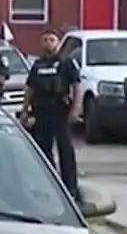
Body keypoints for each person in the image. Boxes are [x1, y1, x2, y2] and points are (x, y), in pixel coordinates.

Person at [22, 28, 82, 200]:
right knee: (43, 149)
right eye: (45, 39)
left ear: (58, 42)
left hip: (60, 110)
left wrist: (75, 109)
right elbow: (30, 88)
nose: (48, 43)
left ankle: (70, 188)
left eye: (52, 40)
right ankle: (50, 184)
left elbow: (76, 86)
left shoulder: (66, 63)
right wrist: (25, 111)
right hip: (41, 111)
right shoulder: (38, 65)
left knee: (65, 148)